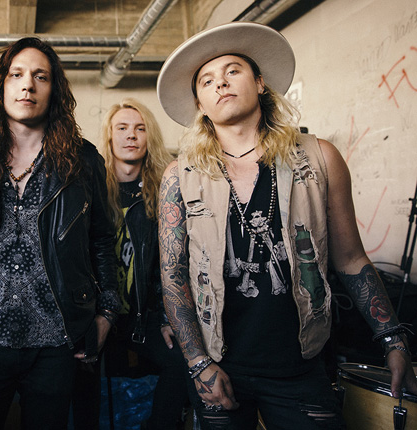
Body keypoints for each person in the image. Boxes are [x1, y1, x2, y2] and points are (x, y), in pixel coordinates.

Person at [156, 22, 417, 429]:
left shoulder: (320, 158)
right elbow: (173, 276)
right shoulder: (180, 175)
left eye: (233, 71)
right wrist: (197, 362)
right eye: (207, 80)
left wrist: (392, 338)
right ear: (201, 105)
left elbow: (350, 258)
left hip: (301, 363)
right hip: (218, 365)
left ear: (260, 83)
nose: (220, 83)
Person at [0, 36, 120, 429]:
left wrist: (106, 314)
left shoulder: (84, 160)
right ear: (0, 87)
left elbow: (102, 240)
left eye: (40, 76)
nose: (27, 85)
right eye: (16, 75)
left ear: (54, 90)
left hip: (58, 343)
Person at [74, 98, 187, 429]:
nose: (131, 135)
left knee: (182, 362)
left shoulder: (164, 191)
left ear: (149, 137)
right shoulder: (89, 188)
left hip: (142, 316)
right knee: (79, 375)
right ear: (109, 136)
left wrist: (167, 317)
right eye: (122, 128)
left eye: (140, 128)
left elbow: (171, 261)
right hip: (96, 313)